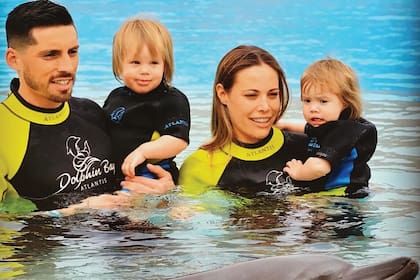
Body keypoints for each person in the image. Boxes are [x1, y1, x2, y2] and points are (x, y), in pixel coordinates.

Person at [0, 0, 174, 213]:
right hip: (53, 246)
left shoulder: (92, 113)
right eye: (50, 55)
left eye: (72, 52)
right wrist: (77, 211)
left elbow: (136, 178)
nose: (66, 67)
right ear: (13, 59)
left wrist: (166, 192)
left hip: (123, 243)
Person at [178, 45, 308, 198]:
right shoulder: (199, 166)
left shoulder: (309, 148)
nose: (265, 107)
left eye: (273, 94)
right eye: (251, 95)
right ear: (222, 94)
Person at [103, 17, 190, 184]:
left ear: (166, 65)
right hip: (118, 175)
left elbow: (178, 140)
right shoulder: (115, 97)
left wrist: (143, 152)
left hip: (151, 174)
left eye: (154, 63)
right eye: (136, 62)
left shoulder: (171, 100)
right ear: (120, 64)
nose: (145, 71)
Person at [278, 58, 377, 198]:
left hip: (341, 195)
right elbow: (308, 129)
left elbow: (319, 167)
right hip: (337, 193)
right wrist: (285, 125)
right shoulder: (331, 125)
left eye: (323, 101)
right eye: (307, 100)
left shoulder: (344, 131)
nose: (313, 108)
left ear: (345, 102)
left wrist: (299, 172)